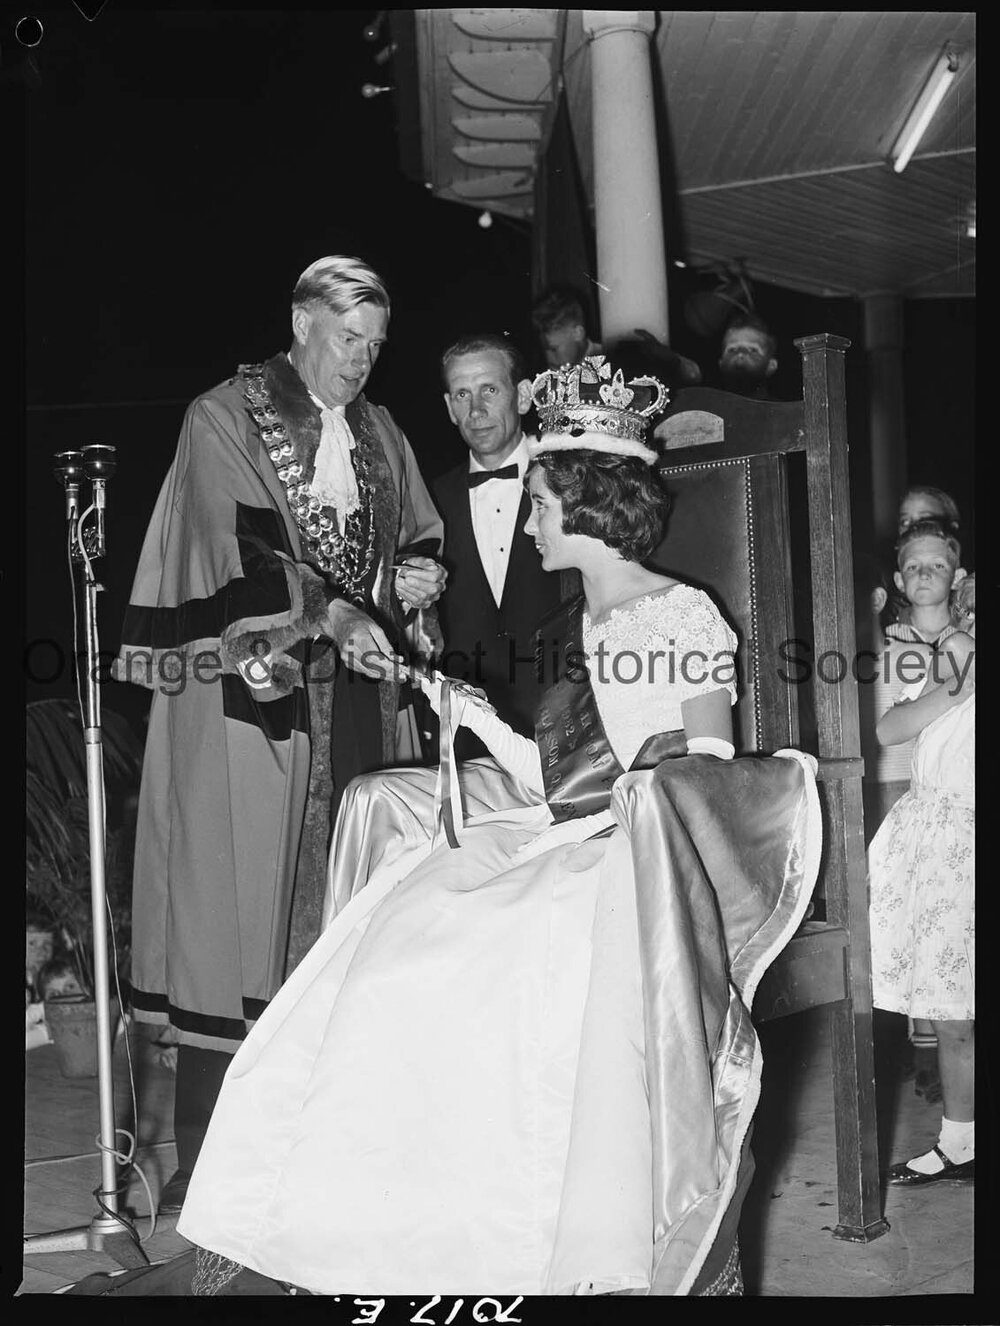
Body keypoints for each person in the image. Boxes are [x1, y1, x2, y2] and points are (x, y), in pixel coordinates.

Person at [172, 354, 822, 1297]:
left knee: (470, 955)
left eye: (544, 504)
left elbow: (709, 771)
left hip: (638, 861)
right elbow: (552, 773)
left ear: (589, 506)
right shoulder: (579, 627)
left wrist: (626, 816)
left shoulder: (680, 614)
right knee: (406, 941)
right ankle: (379, 1217)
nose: (531, 520)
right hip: (570, 831)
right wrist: (461, 707)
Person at [114, 255, 446, 1215]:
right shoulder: (222, 417)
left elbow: (415, 533)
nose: (363, 363)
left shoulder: (381, 433)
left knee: (360, 908)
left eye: (377, 346)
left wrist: (411, 584)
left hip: (358, 711)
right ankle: (215, 1166)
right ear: (302, 322)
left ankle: (340, 1150)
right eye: (350, 340)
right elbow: (236, 553)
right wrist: (331, 616)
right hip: (253, 703)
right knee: (242, 913)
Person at [868, 521, 974, 1186]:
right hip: (933, 827)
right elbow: (888, 726)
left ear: (958, 579)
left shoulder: (962, 639)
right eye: (917, 565)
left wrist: (951, 670)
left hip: (965, 821)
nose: (929, 572)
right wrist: (949, 689)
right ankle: (960, 1142)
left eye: (941, 563)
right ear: (902, 581)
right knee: (946, 1003)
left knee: (960, 1004)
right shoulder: (915, 652)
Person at [431, 332, 565, 759]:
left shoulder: (570, 484)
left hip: (565, 720)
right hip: (470, 732)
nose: (476, 410)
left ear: (523, 397)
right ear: (449, 408)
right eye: (462, 394)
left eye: (490, 389)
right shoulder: (427, 500)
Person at [531, 283, 601, 368]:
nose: (549, 359)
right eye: (544, 349)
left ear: (578, 333)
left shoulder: (609, 363)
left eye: (554, 349)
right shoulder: (547, 373)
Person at [717, 311, 778, 398]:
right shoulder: (703, 409)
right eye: (732, 350)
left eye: (753, 350)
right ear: (721, 363)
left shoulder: (783, 410)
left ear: (771, 365)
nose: (740, 354)